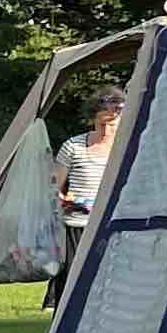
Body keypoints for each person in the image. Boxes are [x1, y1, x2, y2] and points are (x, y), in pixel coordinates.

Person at [49, 93, 123, 310]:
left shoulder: (128, 148)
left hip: (112, 229)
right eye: (102, 122)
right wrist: (66, 200)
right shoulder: (73, 146)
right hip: (77, 228)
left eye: (112, 123)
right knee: (71, 289)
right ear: (94, 119)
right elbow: (53, 189)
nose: (107, 129)